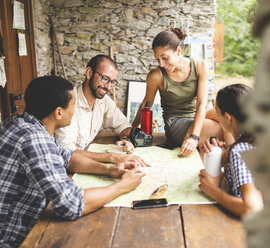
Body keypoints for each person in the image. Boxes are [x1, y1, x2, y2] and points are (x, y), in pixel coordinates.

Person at [0, 76, 145, 247]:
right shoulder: (35, 140)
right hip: (13, 238)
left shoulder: (18, 122)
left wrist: (110, 170)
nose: (75, 109)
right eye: (74, 104)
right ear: (59, 112)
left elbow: (67, 157)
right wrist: (122, 186)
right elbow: (73, 204)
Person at [132, 28, 226, 156]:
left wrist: (194, 137)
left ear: (178, 51)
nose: (161, 64)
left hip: (198, 118)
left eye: (164, 58)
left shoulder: (200, 66)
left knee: (229, 114)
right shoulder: (156, 76)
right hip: (176, 123)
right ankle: (231, 152)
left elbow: (201, 104)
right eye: (157, 59)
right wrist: (130, 130)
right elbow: (146, 104)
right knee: (224, 128)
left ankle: (233, 152)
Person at [55, 55, 145, 166]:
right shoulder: (68, 103)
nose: (108, 87)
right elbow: (66, 151)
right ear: (89, 73)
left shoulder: (104, 101)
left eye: (112, 82)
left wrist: (126, 139)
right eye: (105, 79)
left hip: (83, 159)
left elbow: (122, 125)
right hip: (64, 165)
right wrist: (111, 157)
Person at [198, 84, 264, 217]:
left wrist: (212, 190)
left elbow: (252, 209)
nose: (215, 115)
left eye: (217, 111)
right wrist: (218, 154)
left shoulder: (241, 150)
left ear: (227, 117)